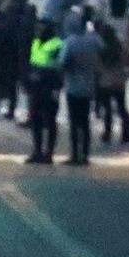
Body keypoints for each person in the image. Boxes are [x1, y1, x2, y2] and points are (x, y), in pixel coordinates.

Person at [60, 13, 103, 165]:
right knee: (85, 121)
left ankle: (74, 154)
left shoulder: (70, 42)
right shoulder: (94, 41)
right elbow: (103, 52)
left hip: (73, 85)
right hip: (89, 85)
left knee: (74, 121)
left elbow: (63, 61)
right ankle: (85, 154)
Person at [24, 21, 65, 164]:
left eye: (41, 29)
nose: (38, 31)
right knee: (35, 119)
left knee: (50, 119)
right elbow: (32, 62)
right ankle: (37, 151)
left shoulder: (57, 44)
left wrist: (57, 87)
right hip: (36, 85)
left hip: (49, 85)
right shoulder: (36, 42)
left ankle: (49, 153)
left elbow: (60, 67)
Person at [91, 13, 129, 144]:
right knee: (122, 107)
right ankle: (126, 132)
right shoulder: (118, 45)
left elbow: (97, 63)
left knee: (107, 108)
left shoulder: (102, 47)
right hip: (119, 80)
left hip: (106, 80)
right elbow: (125, 58)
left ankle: (108, 132)